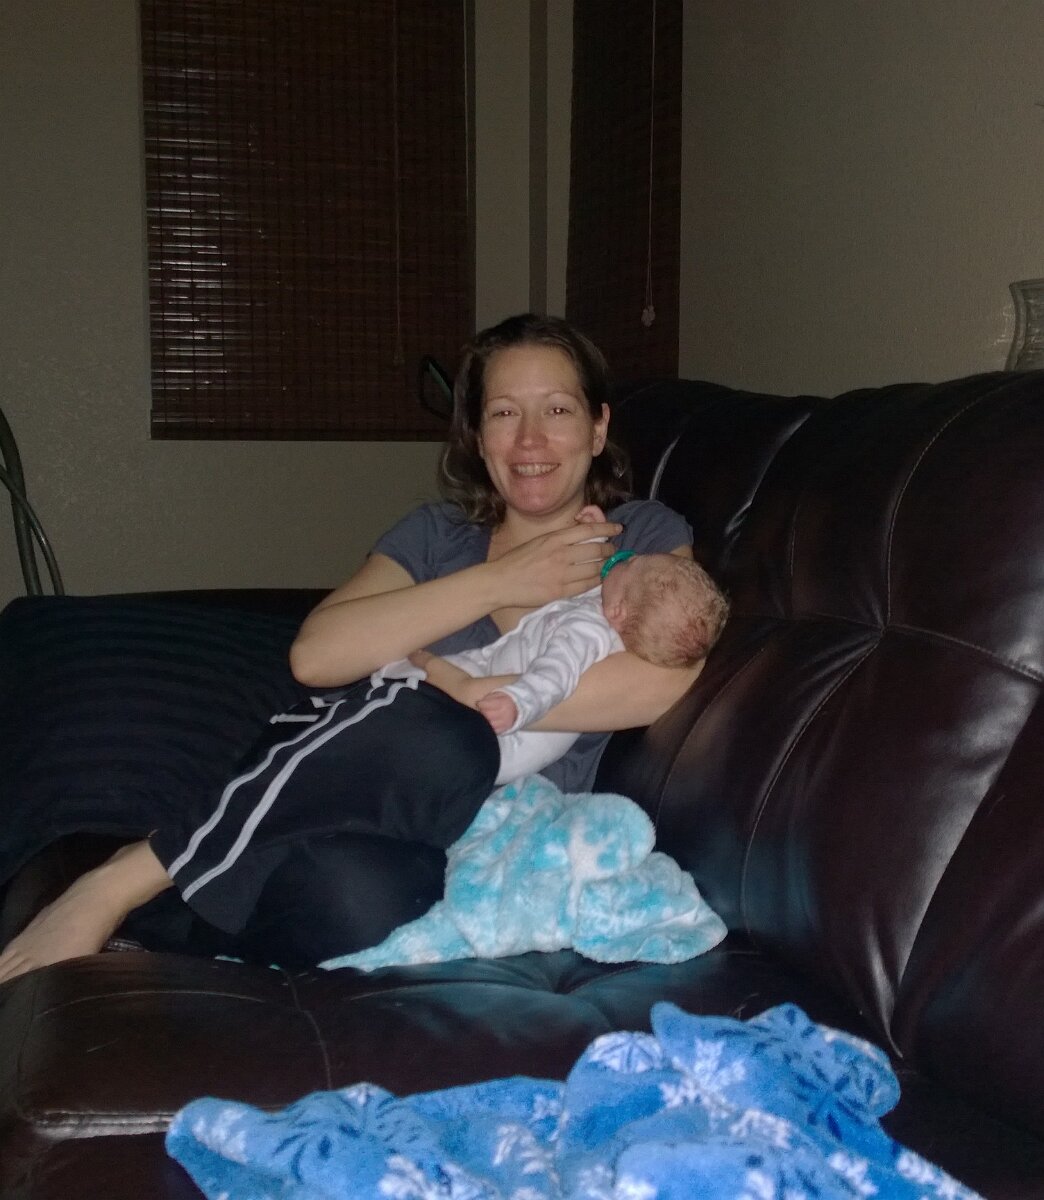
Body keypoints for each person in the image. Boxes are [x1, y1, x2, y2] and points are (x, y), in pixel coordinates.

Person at [0, 313, 706, 983]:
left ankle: (167, 927)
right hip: (349, 781)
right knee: (445, 741)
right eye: (502, 412)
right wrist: (501, 581)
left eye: (556, 409)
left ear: (597, 427)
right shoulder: (437, 537)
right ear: (477, 435)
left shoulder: (641, 536)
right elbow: (316, 656)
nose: (529, 439)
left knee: (371, 893)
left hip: (479, 844)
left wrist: (473, 696)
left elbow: (663, 680)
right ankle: (121, 880)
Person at [392, 514, 729, 784]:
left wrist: (518, 701)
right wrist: (595, 539)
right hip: (496, 685)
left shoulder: (587, 634)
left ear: (619, 611)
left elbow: (555, 676)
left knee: (414, 685)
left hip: (513, 737)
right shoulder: (608, 609)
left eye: (630, 564)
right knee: (408, 684)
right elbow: (597, 583)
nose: (629, 556)